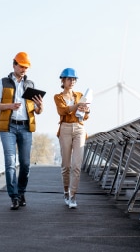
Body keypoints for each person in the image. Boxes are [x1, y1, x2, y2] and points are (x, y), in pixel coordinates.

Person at [0, 52, 44, 210]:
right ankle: (13, 196)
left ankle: (21, 192)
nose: (24, 69)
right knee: (10, 163)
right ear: (14, 65)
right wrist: (10, 106)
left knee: (26, 164)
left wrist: (40, 106)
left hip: (26, 127)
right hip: (8, 127)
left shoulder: (31, 85)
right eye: (21, 66)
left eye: (26, 67)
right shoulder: (3, 83)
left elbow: (37, 110)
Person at [53, 67, 89, 209]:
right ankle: (66, 192)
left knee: (77, 165)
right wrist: (76, 106)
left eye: (74, 79)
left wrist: (86, 110)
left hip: (79, 128)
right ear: (63, 80)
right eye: (69, 79)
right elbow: (62, 110)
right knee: (66, 166)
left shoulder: (80, 95)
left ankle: (73, 195)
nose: (72, 81)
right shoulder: (58, 97)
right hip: (65, 129)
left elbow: (85, 116)